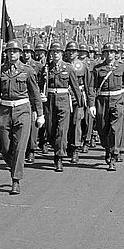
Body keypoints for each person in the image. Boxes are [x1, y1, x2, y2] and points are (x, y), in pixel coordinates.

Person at [0, 39, 44, 194]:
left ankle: (15, 180)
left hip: (23, 110)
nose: (12, 53)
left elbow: (35, 94)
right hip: (5, 110)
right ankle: (14, 166)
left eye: (15, 51)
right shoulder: (0, 71)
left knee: (20, 147)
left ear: (20, 53)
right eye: (9, 51)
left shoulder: (27, 71)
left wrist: (40, 114)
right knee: (5, 146)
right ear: (6, 53)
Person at [88, 43, 124, 171]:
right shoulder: (98, 69)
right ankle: (107, 149)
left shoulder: (122, 68)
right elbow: (92, 88)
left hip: (117, 101)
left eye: (111, 52)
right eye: (106, 52)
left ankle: (113, 156)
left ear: (116, 54)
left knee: (115, 129)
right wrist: (91, 104)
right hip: (102, 102)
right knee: (102, 129)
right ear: (103, 54)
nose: (109, 54)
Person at [44, 42, 82, 171]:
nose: (55, 54)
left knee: (62, 129)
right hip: (49, 101)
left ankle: (59, 157)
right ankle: (56, 147)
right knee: (50, 130)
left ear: (62, 54)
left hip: (63, 100)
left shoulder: (69, 68)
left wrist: (80, 105)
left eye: (58, 52)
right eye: (53, 52)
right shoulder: (46, 68)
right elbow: (39, 86)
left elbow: (75, 87)